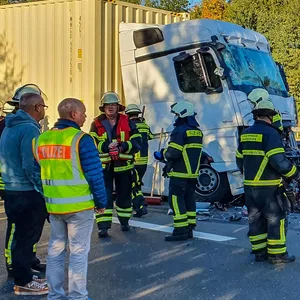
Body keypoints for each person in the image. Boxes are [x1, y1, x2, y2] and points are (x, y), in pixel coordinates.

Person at [32, 98, 107, 299]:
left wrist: (48, 196)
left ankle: (55, 295)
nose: (85, 116)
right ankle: (77, 296)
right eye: (83, 112)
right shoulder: (81, 139)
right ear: (73, 114)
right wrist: (101, 203)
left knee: (55, 252)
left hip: (54, 207)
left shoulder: (41, 139)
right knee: (78, 253)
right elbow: (94, 174)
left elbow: (38, 173)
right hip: (79, 207)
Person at [236, 98, 300, 264]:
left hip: (250, 187)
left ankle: (259, 252)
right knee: (275, 218)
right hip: (269, 187)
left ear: (256, 115)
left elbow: (239, 159)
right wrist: (294, 173)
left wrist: (249, 175)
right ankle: (277, 254)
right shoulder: (271, 133)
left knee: (255, 219)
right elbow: (278, 161)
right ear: (271, 116)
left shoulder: (245, 133)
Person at [0, 92, 49, 295]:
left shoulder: (9, 126)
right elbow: (31, 165)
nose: (44, 112)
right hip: (26, 191)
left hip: (11, 189)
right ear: (37, 108)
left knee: (19, 236)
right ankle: (24, 281)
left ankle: (24, 274)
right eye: (44, 107)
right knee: (26, 238)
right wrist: (41, 187)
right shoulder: (29, 129)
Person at [90, 92, 141, 237]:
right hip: (104, 167)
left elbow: (138, 141)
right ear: (103, 107)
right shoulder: (96, 123)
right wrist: (107, 147)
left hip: (124, 166)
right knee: (103, 196)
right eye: (108, 105)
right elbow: (92, 142)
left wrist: (122, 146)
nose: (111, 107)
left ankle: (124, 222)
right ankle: (103, 226)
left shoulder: (128, 121)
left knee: (124, 196)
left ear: (118, 106)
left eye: (113, 105)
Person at [154, 101, 203, 241]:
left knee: (176, 200)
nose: (175, 117)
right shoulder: (197, 131)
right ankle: (189, 228)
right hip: (192, 175)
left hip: (179, 174)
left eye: (176, 114)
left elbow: (173, 153)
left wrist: (162, 154)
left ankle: (180, 230)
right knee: (189, 199)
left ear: (182, 114)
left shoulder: (179, 131)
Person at [125, 104, 153, 217]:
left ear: (127, 115)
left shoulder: (129, 126)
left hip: (133, 160)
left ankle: (141, 206)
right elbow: (150, 136)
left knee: (132, 185)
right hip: (144, 162)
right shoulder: (145, 126)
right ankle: (137, 208)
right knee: (137, 184)